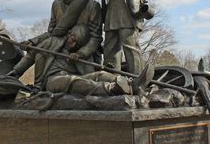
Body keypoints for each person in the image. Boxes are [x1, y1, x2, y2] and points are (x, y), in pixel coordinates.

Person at [9, 24, 153, 96]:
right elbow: (30, 57)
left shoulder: (79, 54)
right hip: (52, 80)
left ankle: (132, 84)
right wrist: (15, 72)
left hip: (75, 75)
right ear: (69, 34)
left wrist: (79, 57)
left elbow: (93, 70)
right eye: (73, 38)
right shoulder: (51, 43)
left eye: (77, 42)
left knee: (99, 76)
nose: (73, 42)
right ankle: (113, 89)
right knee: (75, 82)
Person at [20, 0, 102, 69]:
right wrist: (32, 42)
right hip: (58, 52)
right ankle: (15, 73)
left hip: (82, 58)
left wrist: (81, 53)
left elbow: (96, 38)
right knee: (38, 50)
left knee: (43, 48)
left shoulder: (92, 6)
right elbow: (52, 33)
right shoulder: (56, 5)